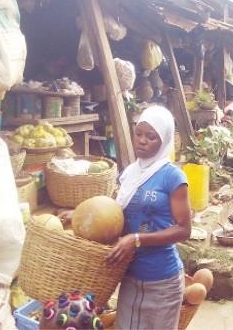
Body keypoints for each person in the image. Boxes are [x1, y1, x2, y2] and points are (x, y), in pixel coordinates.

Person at [59, 106, 191, 330]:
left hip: (161, 280)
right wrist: (80, 214)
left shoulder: (173, 177)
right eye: (138, 133)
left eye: (151, 137)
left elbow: (184, 230)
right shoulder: (130, 173)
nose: (142, 140)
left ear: (165, 140)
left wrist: (137, 239)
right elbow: (114, 213)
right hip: (128, 276)